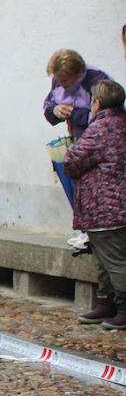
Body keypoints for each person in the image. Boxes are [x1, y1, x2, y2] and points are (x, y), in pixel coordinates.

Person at [65, 80, 126, 327]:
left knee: (115, 262)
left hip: (105, 208)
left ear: (97, 104)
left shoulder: (100, 128)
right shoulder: (122, 123)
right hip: (117, 208)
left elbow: (71, 161)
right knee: (105, 259)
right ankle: (105, 304)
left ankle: (123, 309)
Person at [43, 49, 115, 207]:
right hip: (79, 144)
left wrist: (75, 114)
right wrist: (55, 111)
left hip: (102, 148)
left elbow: (108, 119)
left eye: (65, 80)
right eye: (58, 79)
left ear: (78, 73)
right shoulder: (58, 81)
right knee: (80, 194)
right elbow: (48, 106)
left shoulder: (97, 81)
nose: (61, 84)